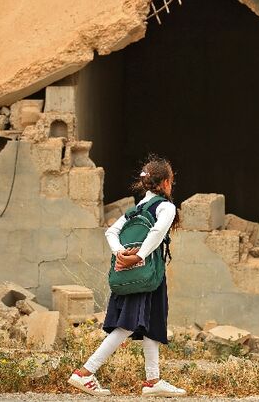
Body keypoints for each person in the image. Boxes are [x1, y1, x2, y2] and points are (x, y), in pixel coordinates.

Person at [68, 155, 186, 397]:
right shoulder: (166, 207)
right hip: (146, 273)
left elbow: (111, 231)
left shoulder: (135, 210)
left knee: (152, 324)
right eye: (171, 181)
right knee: (125, 326)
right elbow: (156, 231)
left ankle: (152, 381)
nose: (171, 185)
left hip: (134, 274)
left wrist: (121, 254)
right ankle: (85, 373)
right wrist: (138, 256)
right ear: (164, 183)